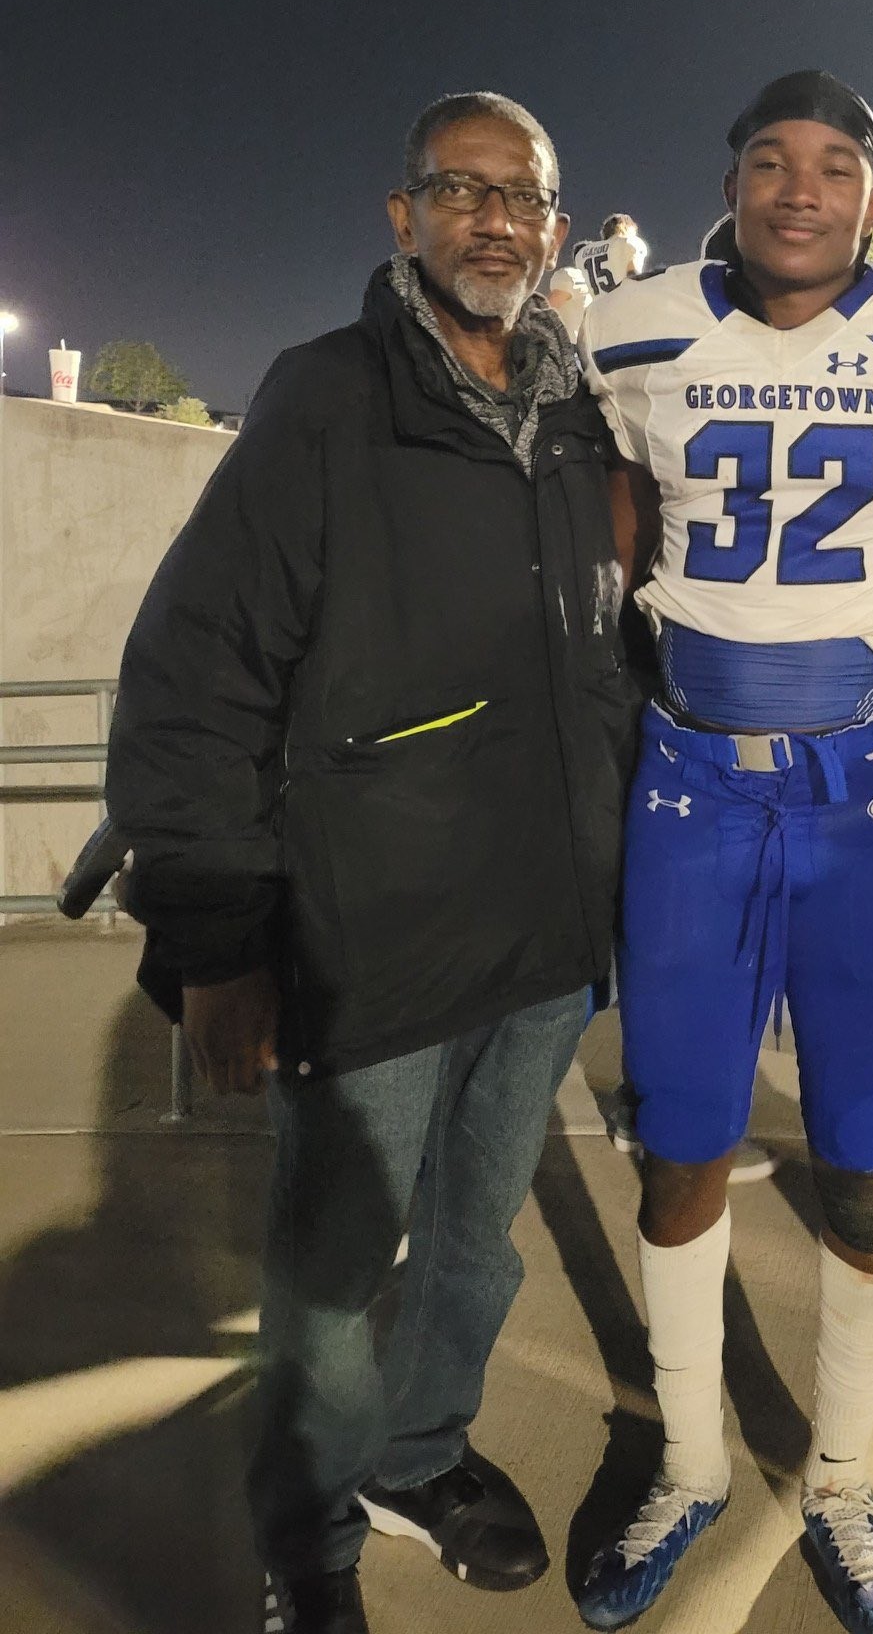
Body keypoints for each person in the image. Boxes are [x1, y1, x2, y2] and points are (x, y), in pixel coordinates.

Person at [105, 92, 636, 1634]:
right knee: (332, 1284)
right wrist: (216, 936)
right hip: (372, 941)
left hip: (539, 940)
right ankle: (309, 1543)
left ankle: (419, 1455)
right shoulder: (326, 403)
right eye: (458, 190)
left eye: (522, 197)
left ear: (556, 227)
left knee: (475, 1249)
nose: (494, 219)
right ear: (401, 218)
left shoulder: (578, 420)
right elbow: (195, 672)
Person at [575, 70, 873, 1634]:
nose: (800, 191)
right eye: (771, 161)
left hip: (868, 793)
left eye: (833, 166)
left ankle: (838, 1474)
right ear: (734, 178)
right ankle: (692, 1457)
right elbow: (615, 535)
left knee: (869, 1156)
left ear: (870, 194)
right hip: (693, 789)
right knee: (683, 1135)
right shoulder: (631, 329)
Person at [549, 212, 651, 336]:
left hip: (600, 321)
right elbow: (634, 278)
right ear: (625, 227)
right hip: (626, 319)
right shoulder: (630, 243)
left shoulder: (583, 254)